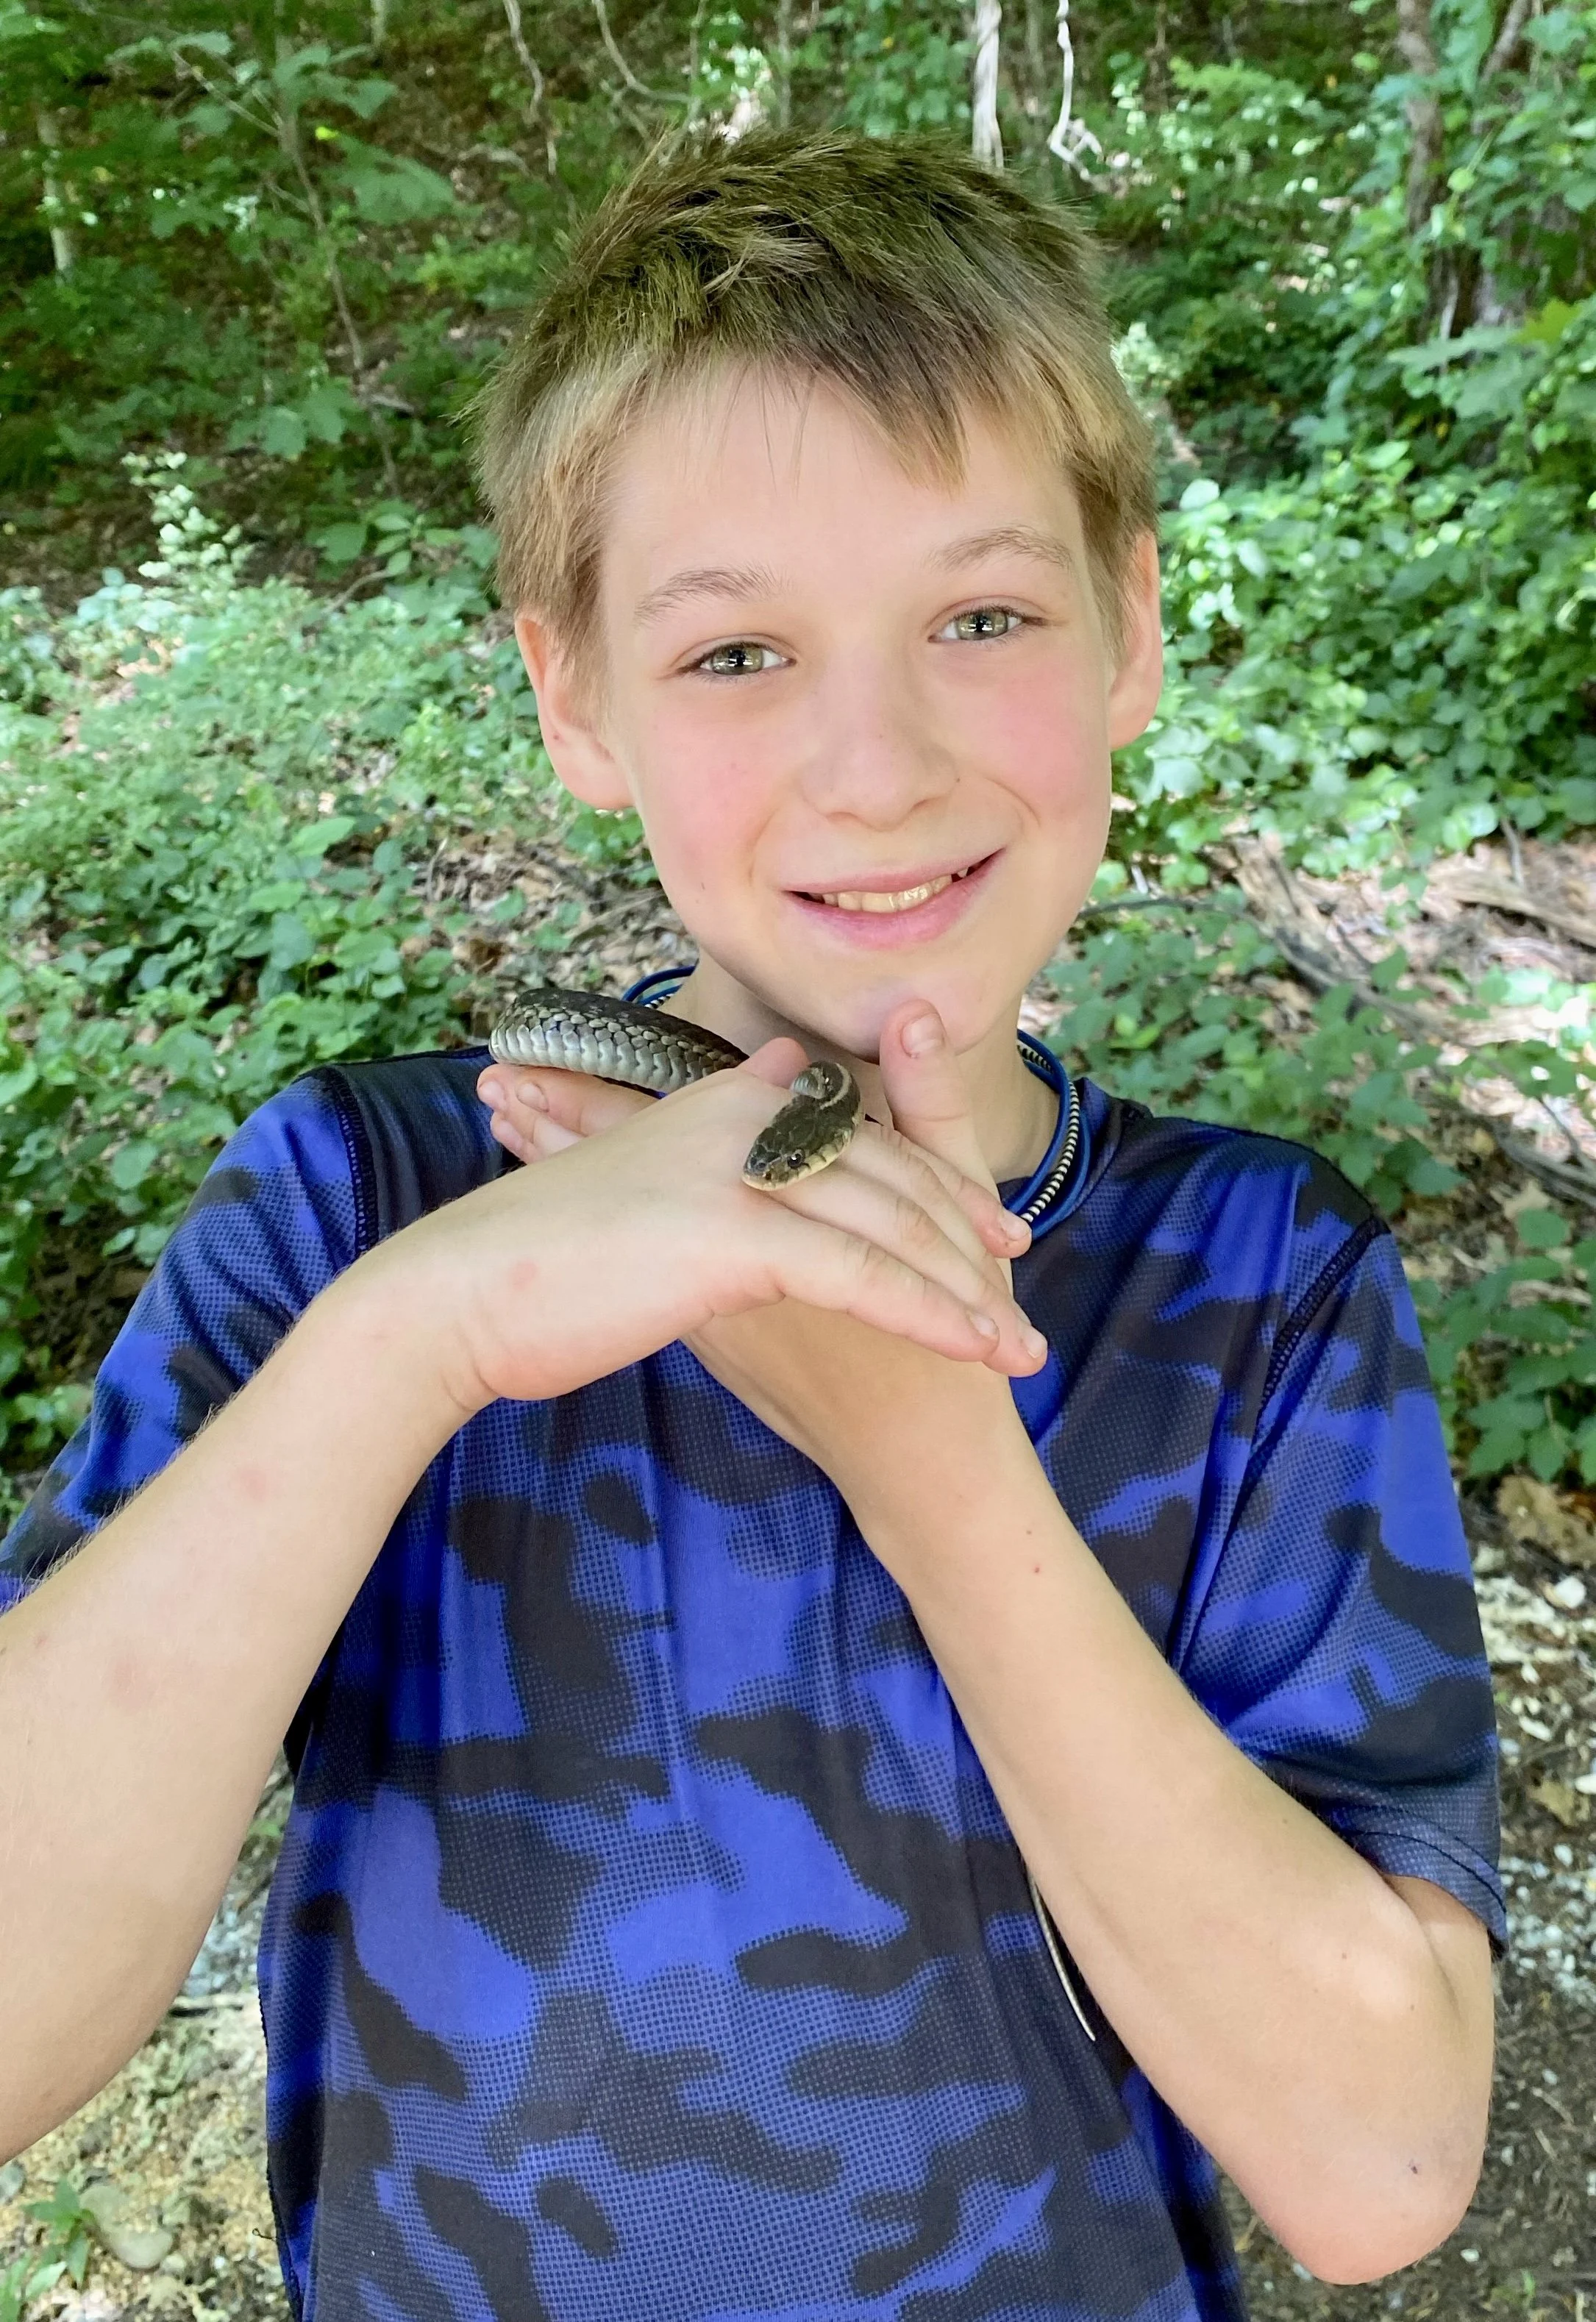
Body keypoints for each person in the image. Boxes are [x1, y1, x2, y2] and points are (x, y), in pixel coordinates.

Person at [0, 126, 1500, 2322]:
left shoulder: (1259, 1280)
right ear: (572, 694)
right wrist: (422, 1335)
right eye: (734, 655)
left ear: (1130, 634)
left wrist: (929, 1458)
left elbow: (1379, 2165)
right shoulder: (365, 1204)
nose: (876, 764)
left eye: (980, 614)